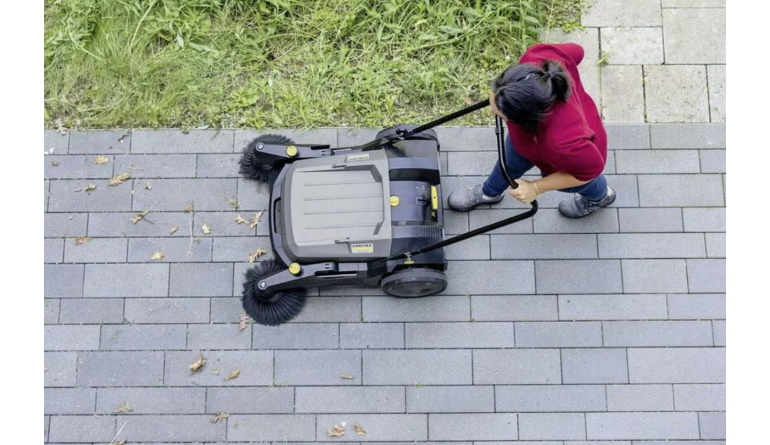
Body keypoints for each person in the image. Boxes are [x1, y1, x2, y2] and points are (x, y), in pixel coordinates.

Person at [447, 42, 615, 218]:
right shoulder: (537, 59)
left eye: (502, 116)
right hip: (525, 141)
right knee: (509, 163)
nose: (491, 112)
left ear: (526, 117)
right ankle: (489, 192)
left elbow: (590, 171)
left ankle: (600, 197)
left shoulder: (564, 143)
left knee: (585, 184)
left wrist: (535, 187)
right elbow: (577, 51)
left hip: (578, 156)